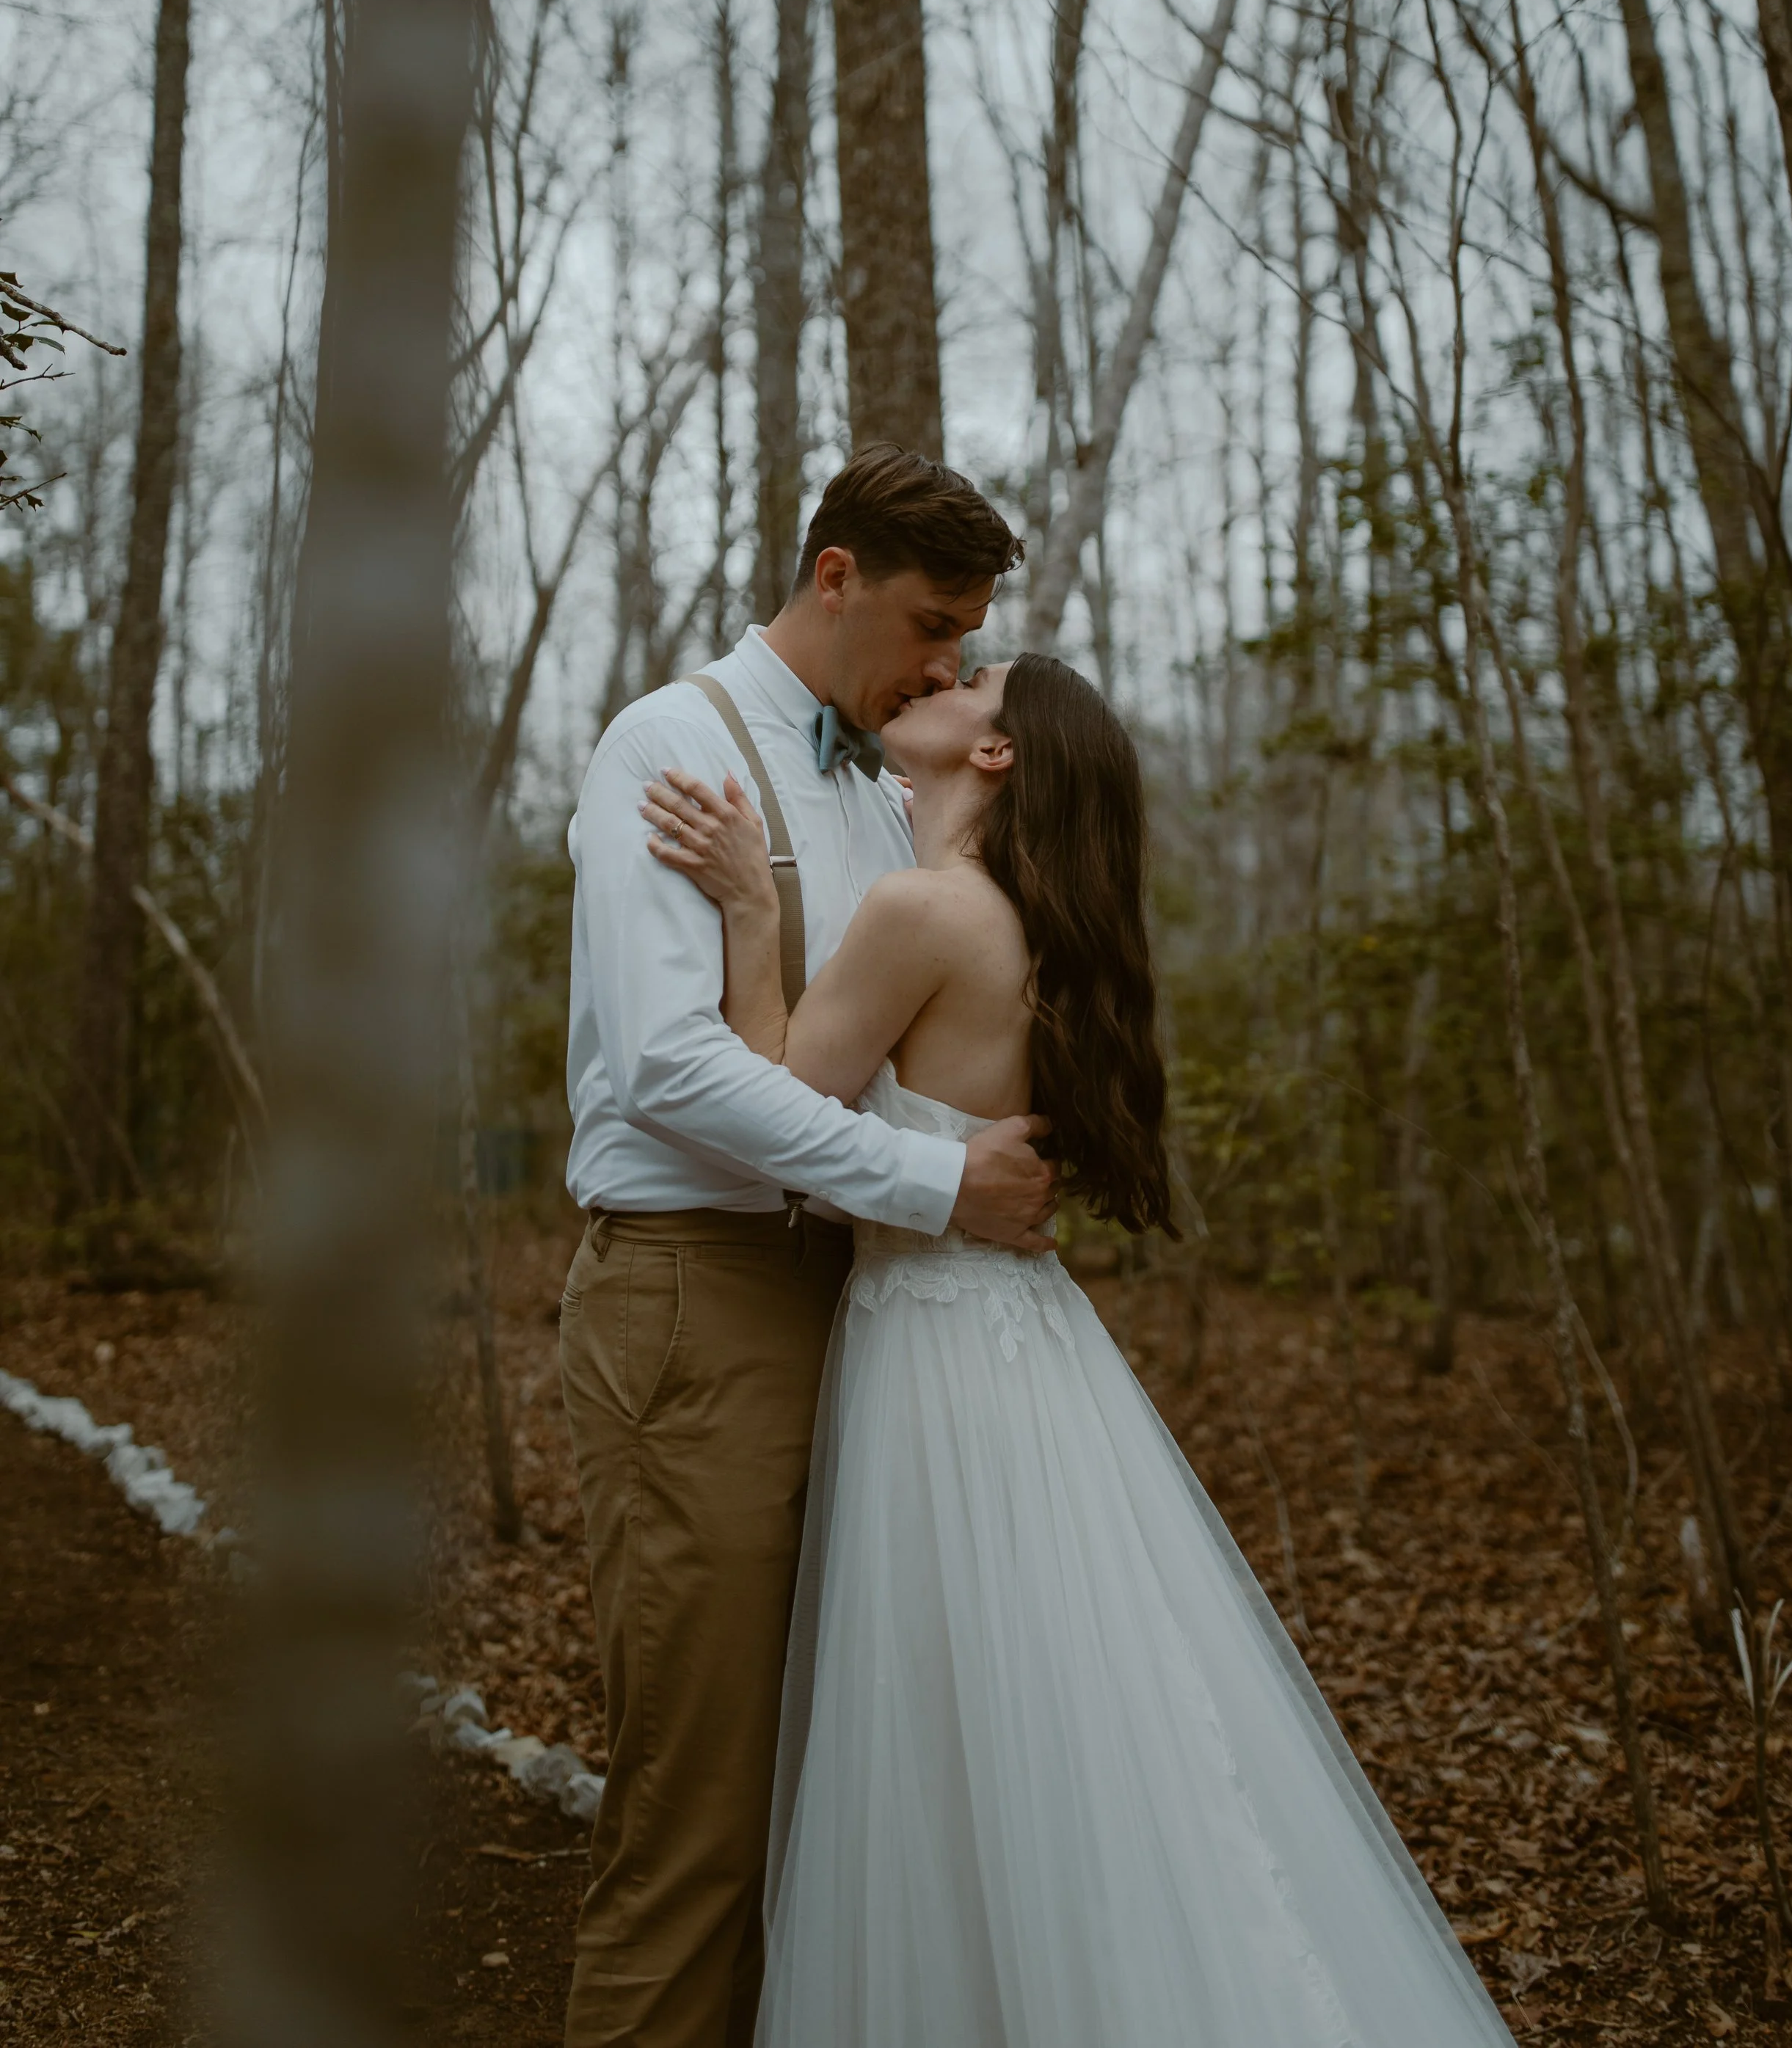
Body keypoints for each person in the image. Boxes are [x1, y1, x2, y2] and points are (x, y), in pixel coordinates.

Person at [640, 651, 1518, 2048]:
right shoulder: (1029, 926)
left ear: (996, 753)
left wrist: (752, 910)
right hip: (1023, 1346)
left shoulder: (925, 907)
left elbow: (782, 1121)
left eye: (974, 675)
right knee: (1075, 1716)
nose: (939, 676)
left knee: (942, 1730)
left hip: (931, 1353)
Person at [557, 445, 1057, 2048]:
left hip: (859, 1319)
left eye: (967, 636)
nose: (947, 664)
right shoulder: (671, 744)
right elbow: (672, 1066)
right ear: (831, 575)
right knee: (695, 1828)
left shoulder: (876, 786)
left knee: (828, 1810)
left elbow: (855, 1044)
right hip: (699, 1305)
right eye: (929, 622)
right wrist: (935, 1189)